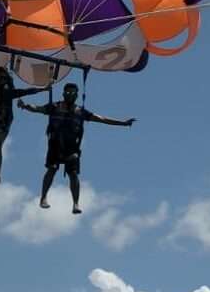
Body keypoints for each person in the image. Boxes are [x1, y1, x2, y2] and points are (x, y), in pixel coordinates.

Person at [18, 82, 134, 213]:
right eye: (67, 92)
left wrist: (122, 123)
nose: (70, 95)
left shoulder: (80, 111)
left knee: (73, 174)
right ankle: (43, 197)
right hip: (55, 144)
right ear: (63, 93)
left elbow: (101, 119)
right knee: (52, 169)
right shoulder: (55, 106)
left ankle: (76, 203)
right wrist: (25, 106)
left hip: (72, 147)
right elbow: (38, 109)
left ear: (77, 95)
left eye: (73, 93)